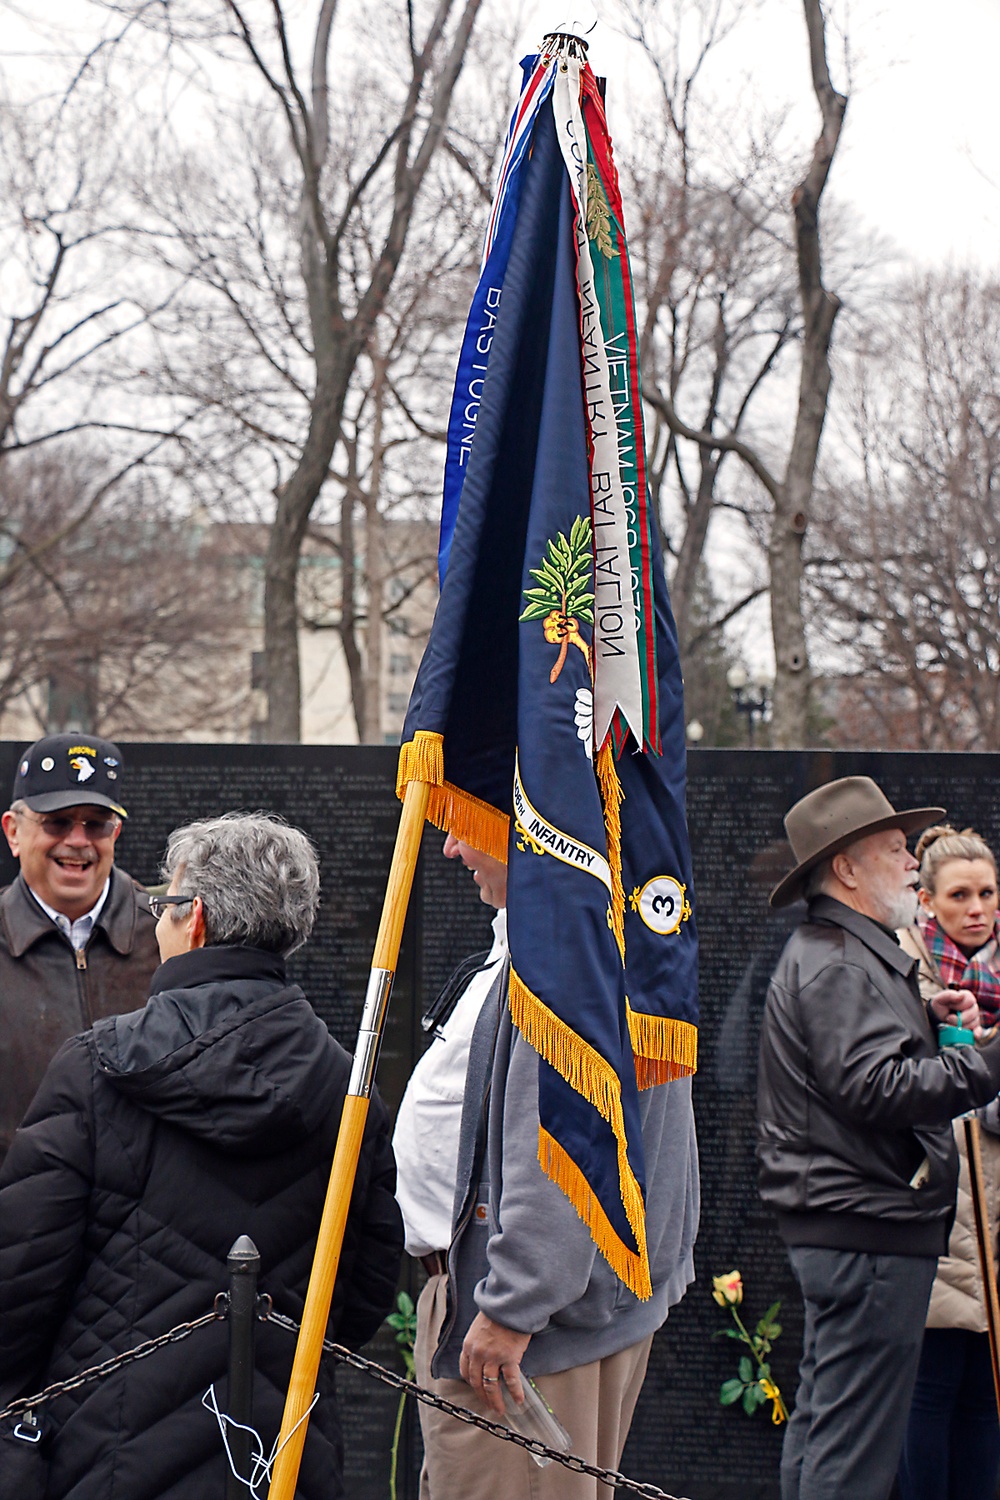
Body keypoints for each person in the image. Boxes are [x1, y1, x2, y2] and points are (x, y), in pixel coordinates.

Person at [0, 812, 403, 1500]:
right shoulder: (347, 1086)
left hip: (110, 1448)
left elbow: (22, 1274)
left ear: (197, 920)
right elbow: (363, 1288)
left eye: (164, 905)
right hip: (281, 1449)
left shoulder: (98, 1065)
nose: (156, 923)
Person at [393, 832, 699, 1500]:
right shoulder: (585, 930)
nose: (450, 848)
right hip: (539, 1313)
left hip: (526, 1335)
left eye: (469, 822)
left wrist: (514, 1306)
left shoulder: (562, 951)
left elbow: (557, 1146)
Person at [758, 775, 1000, 1500]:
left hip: (862, 1226)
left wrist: (929, 1023)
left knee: (830, 1432)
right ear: (847, 868)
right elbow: (875, 1089)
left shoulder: (848, 951)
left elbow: (863, 1067)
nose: (909, 863)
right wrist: (988, 1060)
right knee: (853, 1457)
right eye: (895, 849)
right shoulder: (838, 959)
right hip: (867, 1230)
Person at [897, 825, 1000, 1500]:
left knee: (986, 1409)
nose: (978, 908)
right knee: (926, 1403)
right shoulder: (904, 975)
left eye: (989, 892)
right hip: (934, 1227)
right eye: (960, 894)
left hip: (996, 1238)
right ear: (928, 902)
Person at [0, 732, 159, 1161]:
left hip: (142, 1221)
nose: (77, 840)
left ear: (116, 832)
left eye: (96, 823)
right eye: (56, 822)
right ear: (13, 832)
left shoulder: (169, 938)